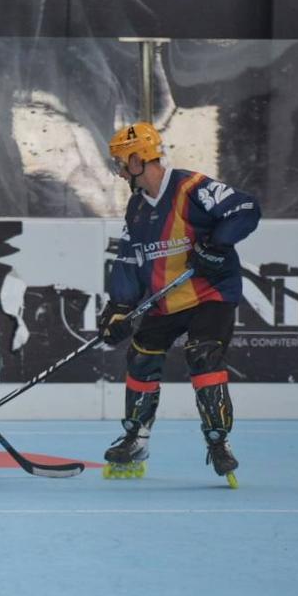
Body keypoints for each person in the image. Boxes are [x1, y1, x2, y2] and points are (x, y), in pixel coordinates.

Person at [97, 121, 261, 485]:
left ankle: (219, 441)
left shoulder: (192, 187)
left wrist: (215, 245)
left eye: (123, 162)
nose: (120, 170)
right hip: (166, 300)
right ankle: (135, 439)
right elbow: (128, 257)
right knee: (141, 356)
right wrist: (120, 307)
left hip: (211, 293)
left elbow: (246, 208)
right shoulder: (136, 208)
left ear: (139, 159)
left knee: (203, 354)